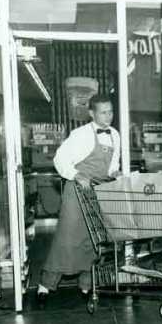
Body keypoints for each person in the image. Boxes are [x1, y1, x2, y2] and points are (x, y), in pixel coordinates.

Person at [36, 94, 121, 308]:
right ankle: (46, 284)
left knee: (94, 240)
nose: (108, 116)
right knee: (67, 237)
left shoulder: (115, 135)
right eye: (103, 112)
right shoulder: (81, 134)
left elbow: (112, 165)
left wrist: (116, 172)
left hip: (100, 190)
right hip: (77, 191)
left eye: (110, 111)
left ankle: (86, 284)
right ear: (91, 113)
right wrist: (76, 175)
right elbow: (60, 158)